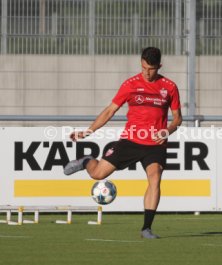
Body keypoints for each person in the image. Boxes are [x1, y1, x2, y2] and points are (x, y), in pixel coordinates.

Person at [64, 47, 182, 239]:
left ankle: (146, 228)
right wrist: (88, 131)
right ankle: (86, 161)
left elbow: (177, 118)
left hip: (155, 144)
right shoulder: (130, 84)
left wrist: (167, 130)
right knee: (97, 174)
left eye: (151, 69)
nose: (146, 72)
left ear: (159, 66)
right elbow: (110, 111)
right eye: (143, 67)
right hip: (130, 141)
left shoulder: (169, 87)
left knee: (155, 178)